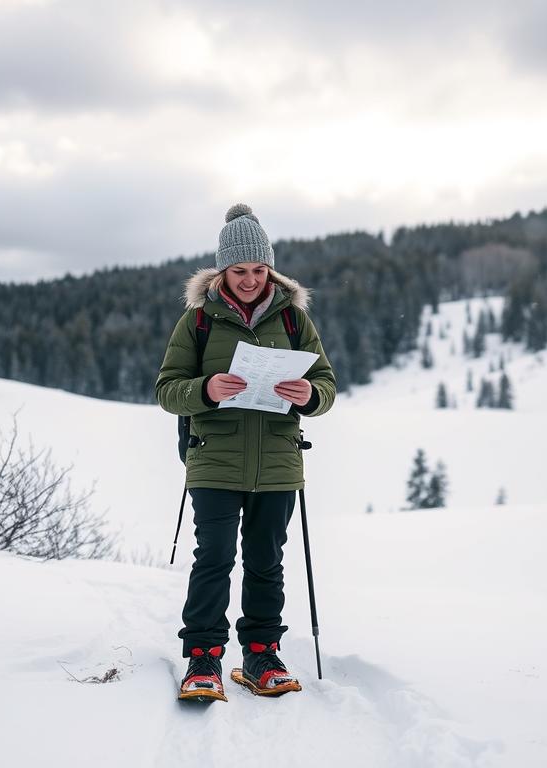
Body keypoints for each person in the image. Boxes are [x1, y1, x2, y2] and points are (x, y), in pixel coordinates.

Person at [155, 203, 336, 701]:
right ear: (222, 270)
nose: (251, 279)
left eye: (259, 270)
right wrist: (208, 389)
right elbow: (167, 389)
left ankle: (260, 655)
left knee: (265, 560)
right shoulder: (198, 322)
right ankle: (203, 660)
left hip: (277, 462)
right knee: (214, 557)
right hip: (214, 458)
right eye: (240, 270)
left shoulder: (295, 320)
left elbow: (326, 383)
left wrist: (311, 395)